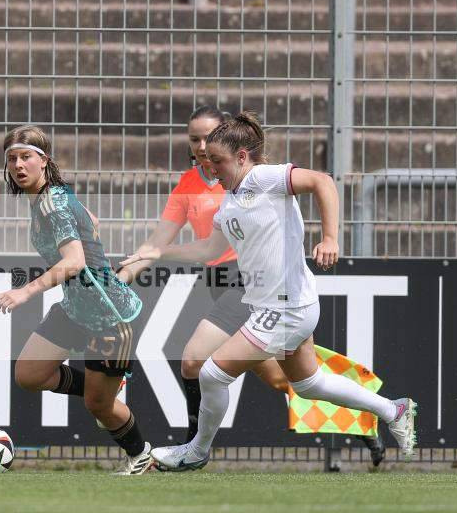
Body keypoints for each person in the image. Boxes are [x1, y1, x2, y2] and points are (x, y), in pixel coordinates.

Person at [120, 111, 416, 471]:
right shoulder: (230, 198)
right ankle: (393, 409)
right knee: (308, 384)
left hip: (286, 307)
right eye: (207, 160)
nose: (211, 167)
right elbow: (210, 251)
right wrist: (157, 252)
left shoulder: (264, 178)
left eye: (218, 160)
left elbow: (323, 181)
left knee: (211, 372)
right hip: (276, 305)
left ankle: (196, 451)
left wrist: (330, 238)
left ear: (242, 156)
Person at [0, 125, 153, 475]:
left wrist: (25, 291)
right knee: (29, 374)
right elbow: (91, 219)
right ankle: (108, 383)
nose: (18, 165)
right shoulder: (50, 196)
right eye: (12, 159)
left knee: (99, 406)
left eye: (26, 157)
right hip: (77, 309)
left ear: (43, 161)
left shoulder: (52, 204)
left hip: (111, 316)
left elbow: (74, 262)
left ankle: (141, 456)